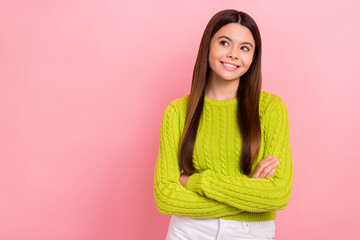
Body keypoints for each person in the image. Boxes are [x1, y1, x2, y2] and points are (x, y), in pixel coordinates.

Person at [153, 9, 293, 240]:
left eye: (244, 48)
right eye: (225, 42)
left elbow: (278, 194)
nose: (233, 54)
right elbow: (166, 197)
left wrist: (197, 180)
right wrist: (248, 195)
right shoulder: (177, 112)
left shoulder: (271, 108)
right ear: (208, 45)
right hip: (189, 230)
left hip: (250, 233)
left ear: (253, 57)